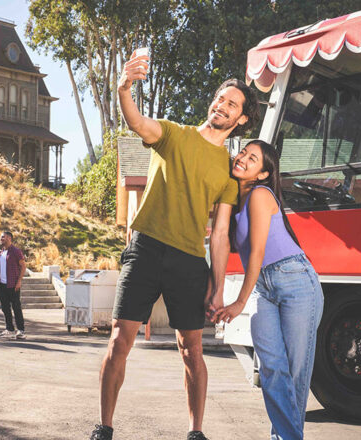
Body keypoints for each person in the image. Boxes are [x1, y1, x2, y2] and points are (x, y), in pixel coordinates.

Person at [89, 52, 259, 440]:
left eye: (232, 104)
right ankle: (104, 428)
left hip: (187, 261)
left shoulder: (228, 172)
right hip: (145, 249)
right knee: (119, 341)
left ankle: (195, 432)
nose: (222, 106)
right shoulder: (173, 134)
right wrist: (123, 87)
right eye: (220, 99)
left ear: (242, 119)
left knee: (191, 351)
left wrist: (217, 286)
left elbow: (219, 235)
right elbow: (136, 121)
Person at [212, 140, 324, 440]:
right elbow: (219, 238)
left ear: (263, 174)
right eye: (243, 153)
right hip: (264, 287)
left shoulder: (261, 194)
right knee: (273, 368)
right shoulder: (233, 198)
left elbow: (258, 253)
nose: (243, 159)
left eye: (253, 158)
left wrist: (238, 302)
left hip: (296, 281)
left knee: (296, 373)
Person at [0, 231, 26, 340]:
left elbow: (23, 267)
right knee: (5, 308)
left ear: (9, 239)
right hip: (2, 285)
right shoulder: (0, 253)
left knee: (16, 307)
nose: (1, 239)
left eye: (3, 237)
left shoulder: (16, 251)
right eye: (0, 237)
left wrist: (19, 281)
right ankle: (10, 330)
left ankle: (21, 331)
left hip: (13, 284)